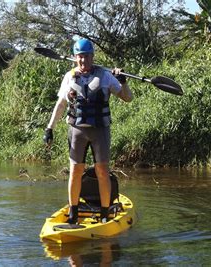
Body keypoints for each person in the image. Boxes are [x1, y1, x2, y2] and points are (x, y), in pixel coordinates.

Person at [43, 38, 133, 224]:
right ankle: (73, 213)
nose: (83, 61)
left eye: (86, 56)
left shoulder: (106, 76)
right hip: (77, 131)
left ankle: (104, 213)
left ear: (92, 56)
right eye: (80, 57)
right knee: (75, 171)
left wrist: (122, 82)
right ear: (75, 58)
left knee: (102, 171)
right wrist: (49, 128)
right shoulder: (69, 77)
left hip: (100, 131)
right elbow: (60, 104)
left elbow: (127, 98)